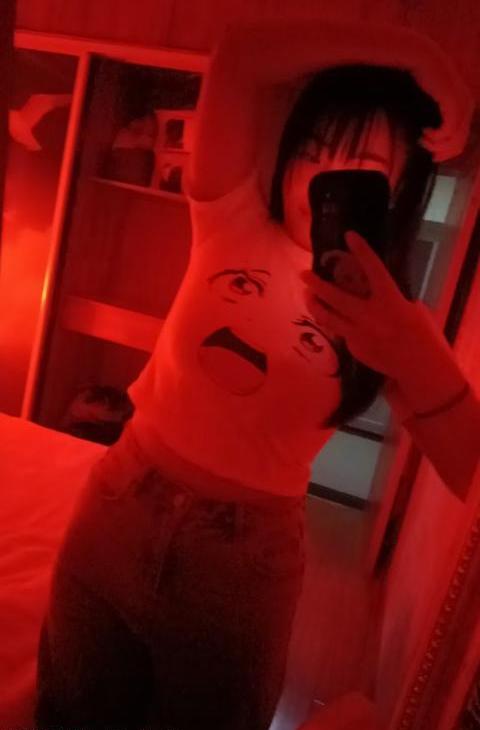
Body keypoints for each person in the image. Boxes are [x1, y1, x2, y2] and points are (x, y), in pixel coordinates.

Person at [34, 17, 478, 730]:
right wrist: (418, 53)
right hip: (121, 502)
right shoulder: (231, 220)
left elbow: (469, 467)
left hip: (242, 566)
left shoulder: (394, 322)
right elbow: (240, 55)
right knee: (66, 712)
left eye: (360, 168)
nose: (323, 181)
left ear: (398, 192)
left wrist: (412, 355)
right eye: (313, 151)